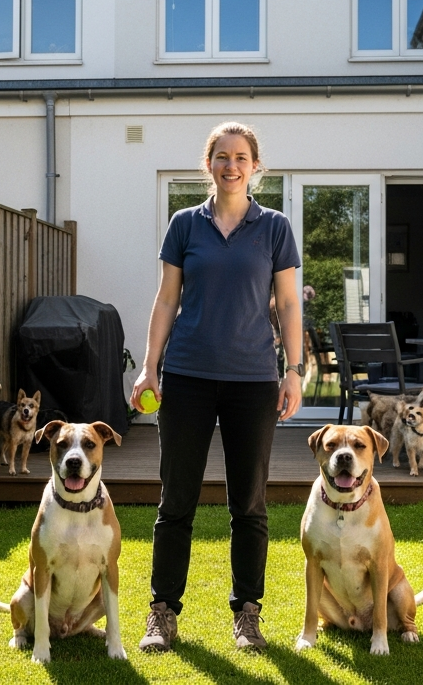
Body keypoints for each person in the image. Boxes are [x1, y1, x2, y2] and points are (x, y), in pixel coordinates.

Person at [130, 121, 304, 653]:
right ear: (209, 165)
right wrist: (149, 365)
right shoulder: (184, 225)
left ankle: (247, 614)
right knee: (175, 500)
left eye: (241, 157)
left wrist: (294, 369)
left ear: (256, 167)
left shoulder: (274, 227)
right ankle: (163, 613)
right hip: (185, 377)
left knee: (248, 504)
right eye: (222, 157)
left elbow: (290, 304)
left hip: (252, 379)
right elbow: (166, 301)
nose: (231, 165)